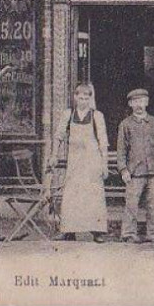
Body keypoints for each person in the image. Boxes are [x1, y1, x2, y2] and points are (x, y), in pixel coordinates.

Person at [53, 82, 109, 242]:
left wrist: (104, 164)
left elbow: (103, 142)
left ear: (90, 98)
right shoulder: (68, 114)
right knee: (72, 194)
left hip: (92, 161)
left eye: (86, 97)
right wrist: (54, 155)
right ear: (75, 97)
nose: (83, 100)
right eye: (80, 97)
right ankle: (69, 230)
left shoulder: (97, 115)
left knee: (93, 194)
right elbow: (59, 136)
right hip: (75, 161)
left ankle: (97, 231)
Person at [116, 87, 154, 244]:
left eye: (142, 101)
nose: (139, 105)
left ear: (147, 102)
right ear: (130, 104)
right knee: (131, 204)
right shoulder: (125, 125)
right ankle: (129, 233)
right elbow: (121, 150)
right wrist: (123, 169)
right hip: (134, 172)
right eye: (135, 102)